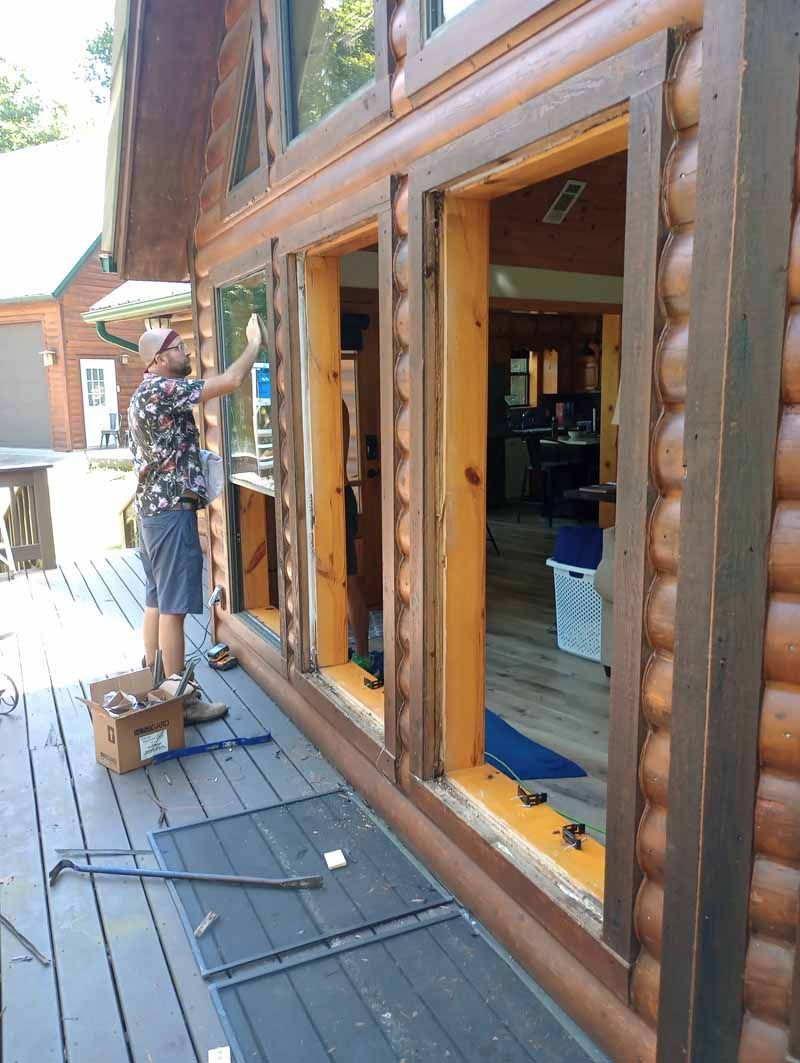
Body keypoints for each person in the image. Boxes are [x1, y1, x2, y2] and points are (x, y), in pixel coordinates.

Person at [129, 313, 268, 722]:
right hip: (171, 515)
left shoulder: (143, 395)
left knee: (156, 600)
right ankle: (180, 699)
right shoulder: (163, 391)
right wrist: (254, 345)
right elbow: (230, 382)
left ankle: (156, 682)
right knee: (173, 607)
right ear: (156, 359)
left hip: (152, 513)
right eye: (177, 348)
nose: (186, 351)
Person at [341, 400, 373, 672]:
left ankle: (363, 654)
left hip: (337, 497)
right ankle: (338, 648)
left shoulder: (334, 406)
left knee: (348, 582)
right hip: (322, 499)